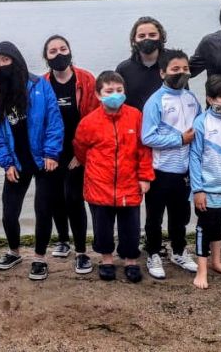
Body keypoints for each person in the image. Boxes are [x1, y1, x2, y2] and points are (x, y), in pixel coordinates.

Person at [0, 41, 64, 281]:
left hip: (43, 160)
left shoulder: (39, 85)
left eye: (5, 60)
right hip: (17, 162)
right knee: (9, 213)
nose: (2, 66)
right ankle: (14, 251)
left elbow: (54, 119)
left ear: (16, 59)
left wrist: (52, 153)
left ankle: (40, 258)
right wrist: (6, 162)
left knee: (43, 211)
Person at [73, 71, 154, 283]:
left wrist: (145, 176)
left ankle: (130, 260)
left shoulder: (135, 116)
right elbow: (80, 149)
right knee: (103, 226)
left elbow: (144, 148)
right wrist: (91, 167)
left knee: (131, 226)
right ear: (99, 95)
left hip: (129, 183)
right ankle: (107, 259)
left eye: (119, 90)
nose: (115, 95)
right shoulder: (89, 122)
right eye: (109, 91)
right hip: (99, 184)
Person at [140, 49, 201, 279]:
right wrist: (179, 139)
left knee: (180, 216)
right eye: (175, 69)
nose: (181, 73)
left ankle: (178, 251)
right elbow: (147, 137)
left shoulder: (192, 99)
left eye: (185, 69)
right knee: (154, 217)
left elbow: (199, 130)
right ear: (163, 72)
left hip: (184, 171)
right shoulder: (156, 101)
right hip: (160, 170)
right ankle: (153, 252)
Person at [42, 34, 98, 273]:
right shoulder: (42, 83)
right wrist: (47, 154)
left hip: (79, 150)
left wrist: (81, 155)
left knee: (74, 199)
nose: (59, 54)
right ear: (46, 57)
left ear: (70, 51)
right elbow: (38, 121)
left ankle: (82, 251)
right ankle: (63, 240)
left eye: (63, 49)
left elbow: (95, 118)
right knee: (55, 198)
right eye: (53, 51)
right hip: (52, 151)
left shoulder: (86, 79)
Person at [189, 75, 221, 289]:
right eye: (220, 96)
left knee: (220, 224)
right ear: (210, 99)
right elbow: (194, 157)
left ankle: (217, 262)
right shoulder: (202, 122)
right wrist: (197, 189)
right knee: (204, 227)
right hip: (206, 188)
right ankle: (202, 270)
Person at [116, 16, 167, 111]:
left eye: (152, 35)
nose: (147, 39)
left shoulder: (173, 65)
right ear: (134, 40)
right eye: (141, 36)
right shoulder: (123, 69)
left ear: (161, 37)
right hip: (135, 122)